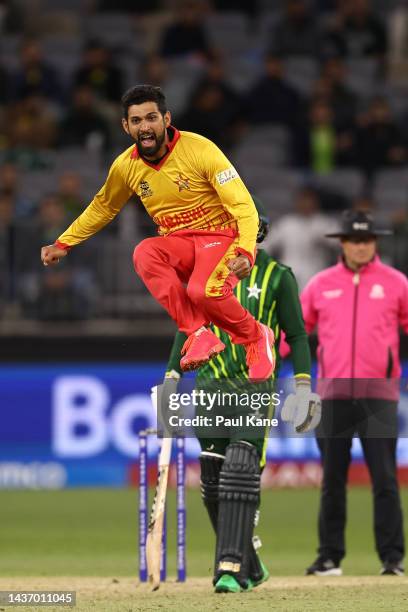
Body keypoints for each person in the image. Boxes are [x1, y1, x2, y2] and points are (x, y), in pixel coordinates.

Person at [40, 85, 275, 381]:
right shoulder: (126, 167)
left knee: (201, 291)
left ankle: (255, 336)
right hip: (179, 242)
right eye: (136, 121)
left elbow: (242, 203)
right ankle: (198, 334)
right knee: (144, 252)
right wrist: (65, 243)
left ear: (166, 119)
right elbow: (103, 208)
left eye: (151, 118)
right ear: (126, 126)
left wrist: (245, 250)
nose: (145, 127)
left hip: (220, 237)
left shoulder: (200, 149)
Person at [164, 198, 320, 593]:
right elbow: (188, 328)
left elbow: (297, 335)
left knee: (238, 470)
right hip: (211, 387)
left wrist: (303, 384)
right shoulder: (203, 273)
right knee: (213, 483)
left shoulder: (278, 276)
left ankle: (229, 568)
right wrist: (170, 378)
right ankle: (251, 564)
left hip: (254, 388)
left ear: (258, 235)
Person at [299, 210, 408, 576]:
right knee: (332, 479)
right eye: (354, 240)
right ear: (342, 243)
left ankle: (392, 559)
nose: (361, 247)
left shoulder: (396, 283)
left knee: (385, 479)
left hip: (379, 393)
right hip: (332, 393)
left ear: (374, 242)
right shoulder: (320, 284)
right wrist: (269, 354)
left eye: (367, 240)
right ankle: (329, 556)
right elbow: (297, 332)